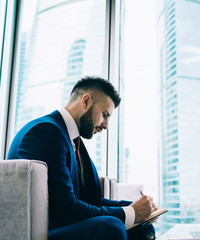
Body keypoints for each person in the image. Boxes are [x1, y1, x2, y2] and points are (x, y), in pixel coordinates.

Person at [7, 76, 157, 240]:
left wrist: (136, 207)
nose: (106, 125)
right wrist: (130, 213)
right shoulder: (45, 132)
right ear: (85, 101)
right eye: (105, 115)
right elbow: (65, 207)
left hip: (65, 222)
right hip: (45, 230)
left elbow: (89, 200)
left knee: (142, 228)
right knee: (110, 227)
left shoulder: (72, 140)